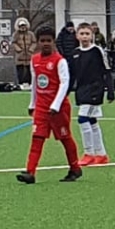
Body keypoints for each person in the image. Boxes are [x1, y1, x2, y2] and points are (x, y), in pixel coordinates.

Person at [18, 37, 83, 184]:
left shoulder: (60, 61)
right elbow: (35, 83)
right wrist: (32, 104)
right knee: (37, 138)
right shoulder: (34, 60)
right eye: (42, 40)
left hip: (59, 108)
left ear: (53, 42)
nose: (46, 43)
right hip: (41, 107)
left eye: (49, 40)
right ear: (38, 42)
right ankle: (30, 172)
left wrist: (56, 105)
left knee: (65, 138)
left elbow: (64, 83)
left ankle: (75, 168)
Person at [69, 25, 113, 167]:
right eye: (82, 33)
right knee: (92, 120)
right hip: (81, 91)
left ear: (92, 35)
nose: (84, 36)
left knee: (82, 119)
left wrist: (110, 91)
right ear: (77, 36)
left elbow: (107, 70)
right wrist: (66, 91)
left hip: (95, 90)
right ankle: (101, 154)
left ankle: (89, 153)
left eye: (87, 33)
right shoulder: (75, 53)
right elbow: (72, 75)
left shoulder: (97, 51)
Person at [12, 18, 37, 86]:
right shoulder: (16, 34)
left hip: (29, 55)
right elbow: (13, 43)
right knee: (20, 70)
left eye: (24, 25)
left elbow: (34, 42)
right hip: (20, 56)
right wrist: (19, 50)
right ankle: (20, 83)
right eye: (21, 26)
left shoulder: (31, 34)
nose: (23, 27)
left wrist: (31, 49)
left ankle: (30, 83)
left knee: (29, 70)